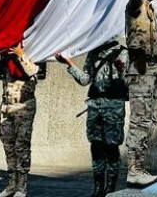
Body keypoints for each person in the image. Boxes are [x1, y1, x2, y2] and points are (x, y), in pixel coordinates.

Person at [55, 39, 129, 197]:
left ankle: (110, 189)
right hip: (95, 106)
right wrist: (69, 63)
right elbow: (85, 79)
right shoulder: (94, 52)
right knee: (96, 147)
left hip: (113, 106)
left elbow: (132, 82)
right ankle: (97, 188)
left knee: (111, 147)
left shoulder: (124, 52)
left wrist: (122, 73)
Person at [0, 43, 38, 197]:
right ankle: (11, 185)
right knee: (9, 147)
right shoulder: (6, 60)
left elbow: (32, 71)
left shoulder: (33, 55)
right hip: (7, 107)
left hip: (24, 106)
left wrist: (21, 54)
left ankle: (22, 187)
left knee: (21, 146)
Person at [124, 0, 157, 187]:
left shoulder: (150, 9)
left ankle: (139, 166)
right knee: (140, 121)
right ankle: (134, 170)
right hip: (140, 69)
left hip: (151, 69)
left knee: (150, 121)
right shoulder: (136, 6)